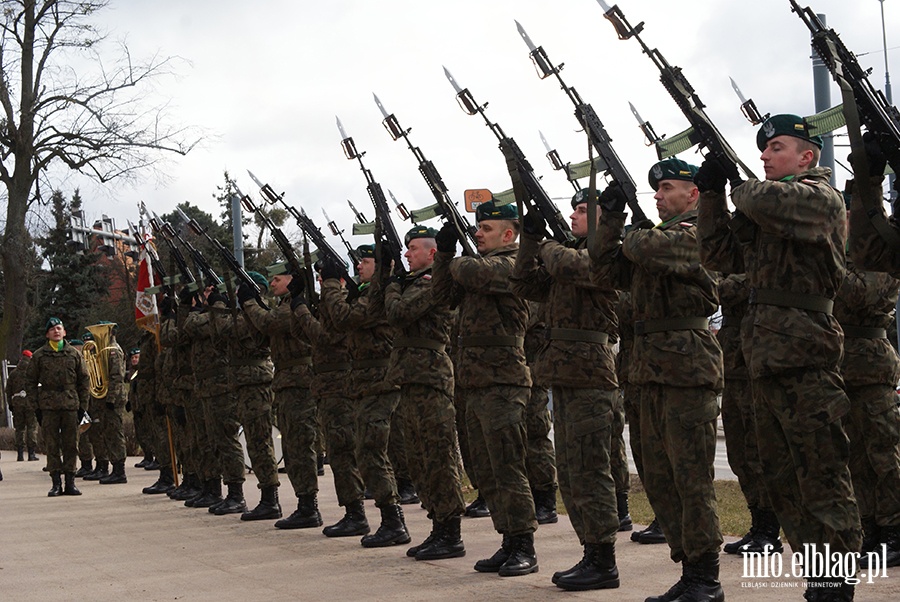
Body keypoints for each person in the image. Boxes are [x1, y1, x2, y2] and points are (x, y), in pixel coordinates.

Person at [695, 114, 860, 601]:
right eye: (761, 150)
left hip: (808, 361)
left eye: (776, 148)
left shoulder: (818, 199)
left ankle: (837, 584)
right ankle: (817, 576)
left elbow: (762, 198)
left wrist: (735, 177)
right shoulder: (767, 206)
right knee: (783, 481)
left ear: (807, 156)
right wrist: (709, 196)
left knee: (823, 478)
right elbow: (718, 252)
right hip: (763, 362)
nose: (764, 156)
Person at [592, 160, 724, 602]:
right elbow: (604, 268)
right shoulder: (651, 237)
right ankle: (688, 567)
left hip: (687, 366)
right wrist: (610, 218)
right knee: (658, 476)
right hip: (647, 369)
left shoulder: (697, 232)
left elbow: (653, 251)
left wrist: (631, 233)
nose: (658, 195)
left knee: (691, 478)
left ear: (694, 195)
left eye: (668, 187)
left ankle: (705, 577)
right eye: (655, 190)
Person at [513, 189, 622, 590]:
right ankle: (591, 551)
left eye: (583, 211)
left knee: (591, 471)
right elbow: (524, 282)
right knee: (572, 473)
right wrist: (529, 239)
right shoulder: (563, 257)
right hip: (564, 373)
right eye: (572, 210)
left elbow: (576, 265)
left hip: (592, 374)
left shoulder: (602, 257)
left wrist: (547, 244)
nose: (574, 215)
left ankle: (603, 558)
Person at [433, 201, 538, 577]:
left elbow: (472, 273)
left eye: (486, 229)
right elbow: (443, 296)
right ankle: (508, 539)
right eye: (476, 229)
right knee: (487, 470)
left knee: (508, 467)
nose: (478, 233)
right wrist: (443, 253)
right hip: (475, 382)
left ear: (508, 235)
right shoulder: (477, 267)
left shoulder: (512, 264)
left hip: (504, 381)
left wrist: (454, 259)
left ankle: (525, 544)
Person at [371, 225, 466, 561]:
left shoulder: (433, 283)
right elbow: (376, 311)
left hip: (431, 377)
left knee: (438, 457)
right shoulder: (407, 283)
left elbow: (398, 312)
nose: (407, 254)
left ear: (431, 253)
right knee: (418, 458)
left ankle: (450, 531)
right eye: (406, 248)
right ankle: (437, 525)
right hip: (409, 379)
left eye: (413, 249)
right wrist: (384, 273)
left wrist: (393, 283)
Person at [320, 244, 411, 548]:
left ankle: (393, 521)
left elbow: (343, 317)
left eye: (367, 262)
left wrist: (331, 285)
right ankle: (372, 517)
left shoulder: (381, 293)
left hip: (380, 383)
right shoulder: (367, 292)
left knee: (372, 451)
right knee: (364, 451)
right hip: (363, 384)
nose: (359, 266)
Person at [243, 264, 322, 529]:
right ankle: (304, 504)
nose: (273, 283)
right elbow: (262, 335)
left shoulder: (296, 306)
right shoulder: (285, 304)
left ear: (292, 279)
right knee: (292, 445)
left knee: (301, 444)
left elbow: (269, 323)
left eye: (278, 279)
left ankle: (309, 506)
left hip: (300, 380)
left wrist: (250, 303)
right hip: (287, 381)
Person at [291, 264, 363, 536]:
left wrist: (301, 308)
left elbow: (324, 337)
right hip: (326, 387)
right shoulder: (330, 306)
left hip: (341, 386)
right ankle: (352, 512)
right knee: (337, 451)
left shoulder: (343, 305)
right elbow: (302, 334)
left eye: (324, 279)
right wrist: (298, 302)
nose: (322, 283)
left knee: (344, 451)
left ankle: (356, 513)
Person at [716, 274, 781, 556]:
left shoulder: (757, 250)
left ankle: (770, 529)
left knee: (759, 452)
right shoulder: (726, 250)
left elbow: (728, 288)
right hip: (732, 364)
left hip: (755, 361)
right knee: (738, 453)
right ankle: (757, 523)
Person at [24, 317, 90, 496]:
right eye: (52, 329)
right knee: (52, 445)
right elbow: (29, 382)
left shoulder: (74, 354)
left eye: (59, 328)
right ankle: (55, 483)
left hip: (70, 405)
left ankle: (70, 482)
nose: (56, 331)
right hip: (48, 406)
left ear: (65, 332)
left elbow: (84, 381)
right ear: (47, 334)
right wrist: (36, 407)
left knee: (71, 445)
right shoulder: (39, 356)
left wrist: (83, 407)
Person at [86, 322, 128, 485]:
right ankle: (114, 468)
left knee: (115, 434)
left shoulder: (113, 351)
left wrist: (110, 399)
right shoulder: (103, 351)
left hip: (113, 399)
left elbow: (117, 377)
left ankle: (120, 471)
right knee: (107, 433)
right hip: (103, 399)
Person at [7, 350, 38, 462]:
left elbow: (8, 390)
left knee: (19, 429)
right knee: (32, 428)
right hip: (30, 404)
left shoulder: (14, 373)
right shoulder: (33, 372)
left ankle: (20, 454)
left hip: (17, 404)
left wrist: (10, 404)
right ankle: (31, 453)